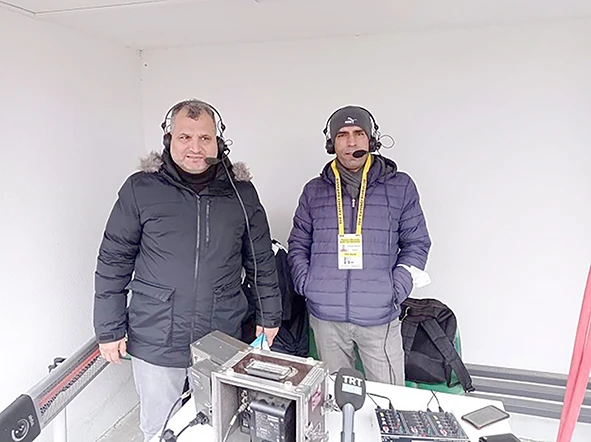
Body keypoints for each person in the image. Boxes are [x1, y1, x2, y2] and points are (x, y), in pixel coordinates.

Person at [93, 99, 281, 441]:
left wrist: (269, 316)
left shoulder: (241, 194)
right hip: (156, 336)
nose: (195, 147)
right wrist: (108, 328)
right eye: (185, 137)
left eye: (204, 138)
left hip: (220, 336)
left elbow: (261, 260)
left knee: (218, 426)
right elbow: (113, 259)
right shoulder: (140, 189)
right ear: (169, 140)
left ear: (218, 143)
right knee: (159, 429)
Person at [287, 105, 431, 385]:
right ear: (332, 143)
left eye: (358, 133)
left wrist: (396, 288)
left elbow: (416, 242)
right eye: (342, 135)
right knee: (335, 398)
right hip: (326, 315)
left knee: (389, 398)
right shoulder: (314, 190)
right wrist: (307, 284)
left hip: (379, 314)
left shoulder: (400, 186)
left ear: (371, 140)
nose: (351, 142)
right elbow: (298, 243)